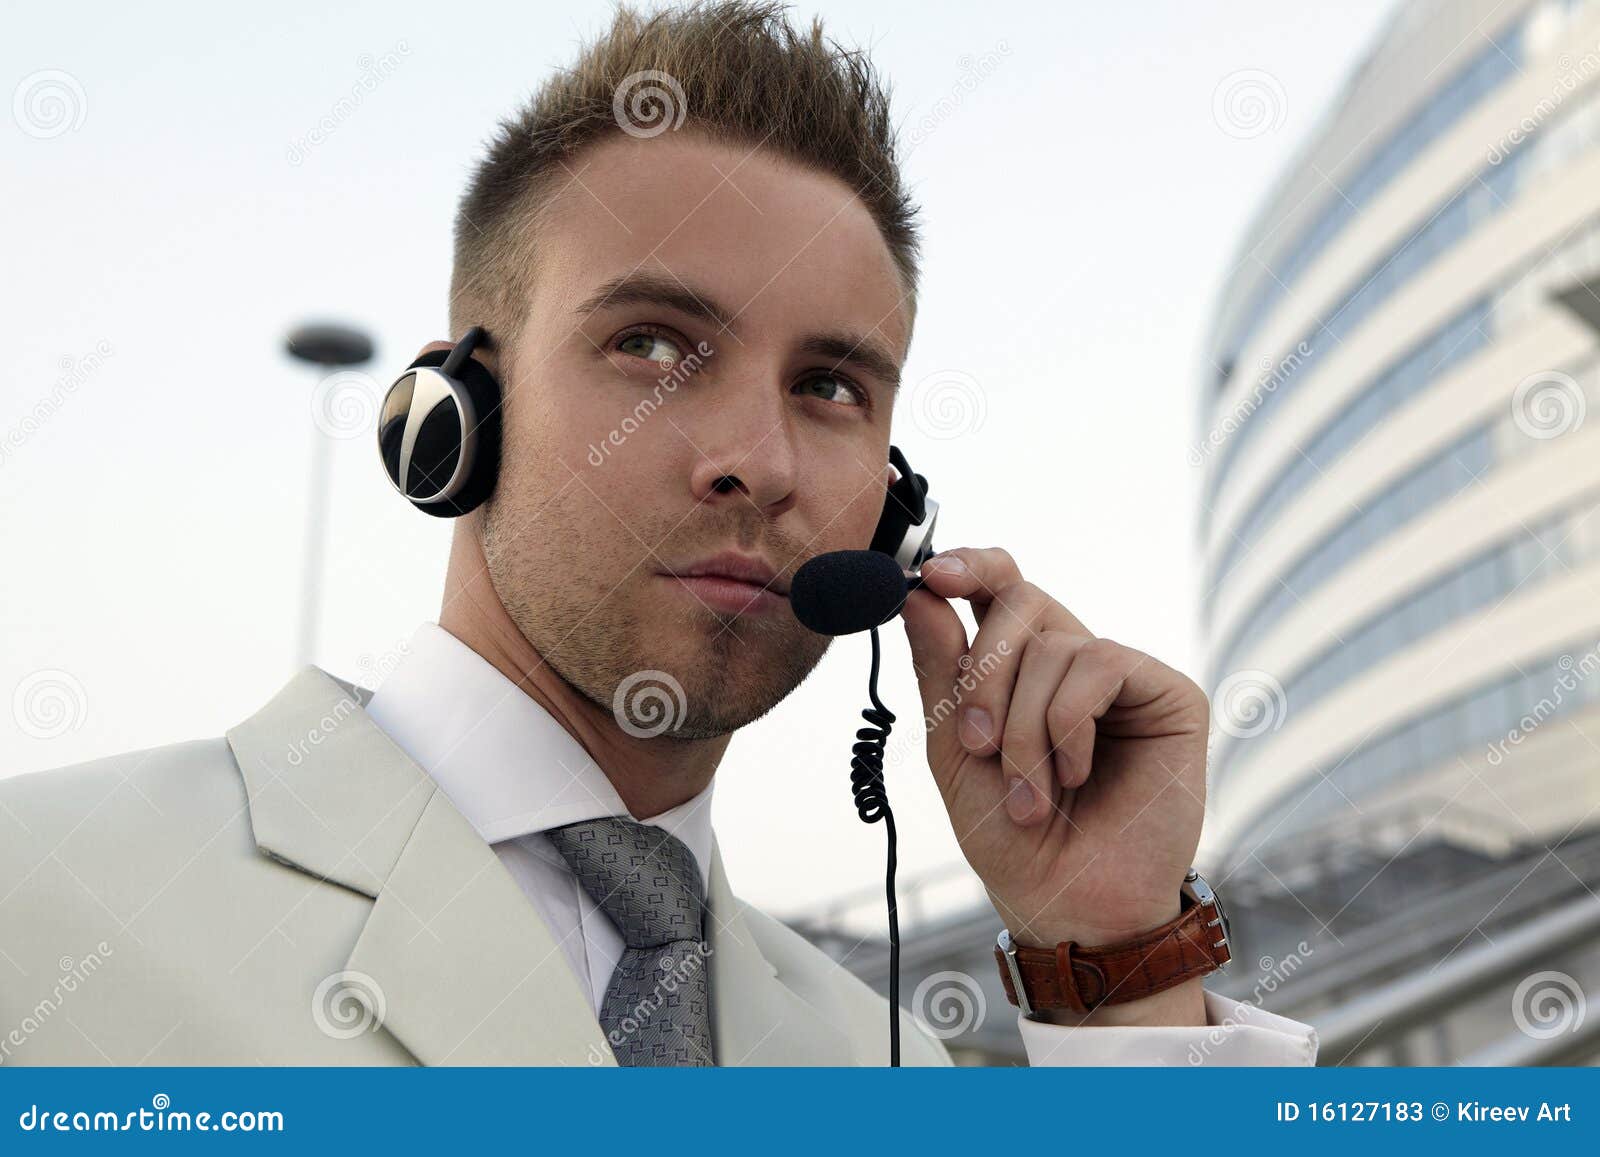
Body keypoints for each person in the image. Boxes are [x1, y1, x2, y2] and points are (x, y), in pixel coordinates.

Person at [0, 0, 1316, 1067]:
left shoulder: (884, 1056)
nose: (760, 458)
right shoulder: (40, 905)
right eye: (652, 344)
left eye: (830, 386)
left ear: (900, 507)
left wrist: (1116, 966)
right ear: (452, 414)